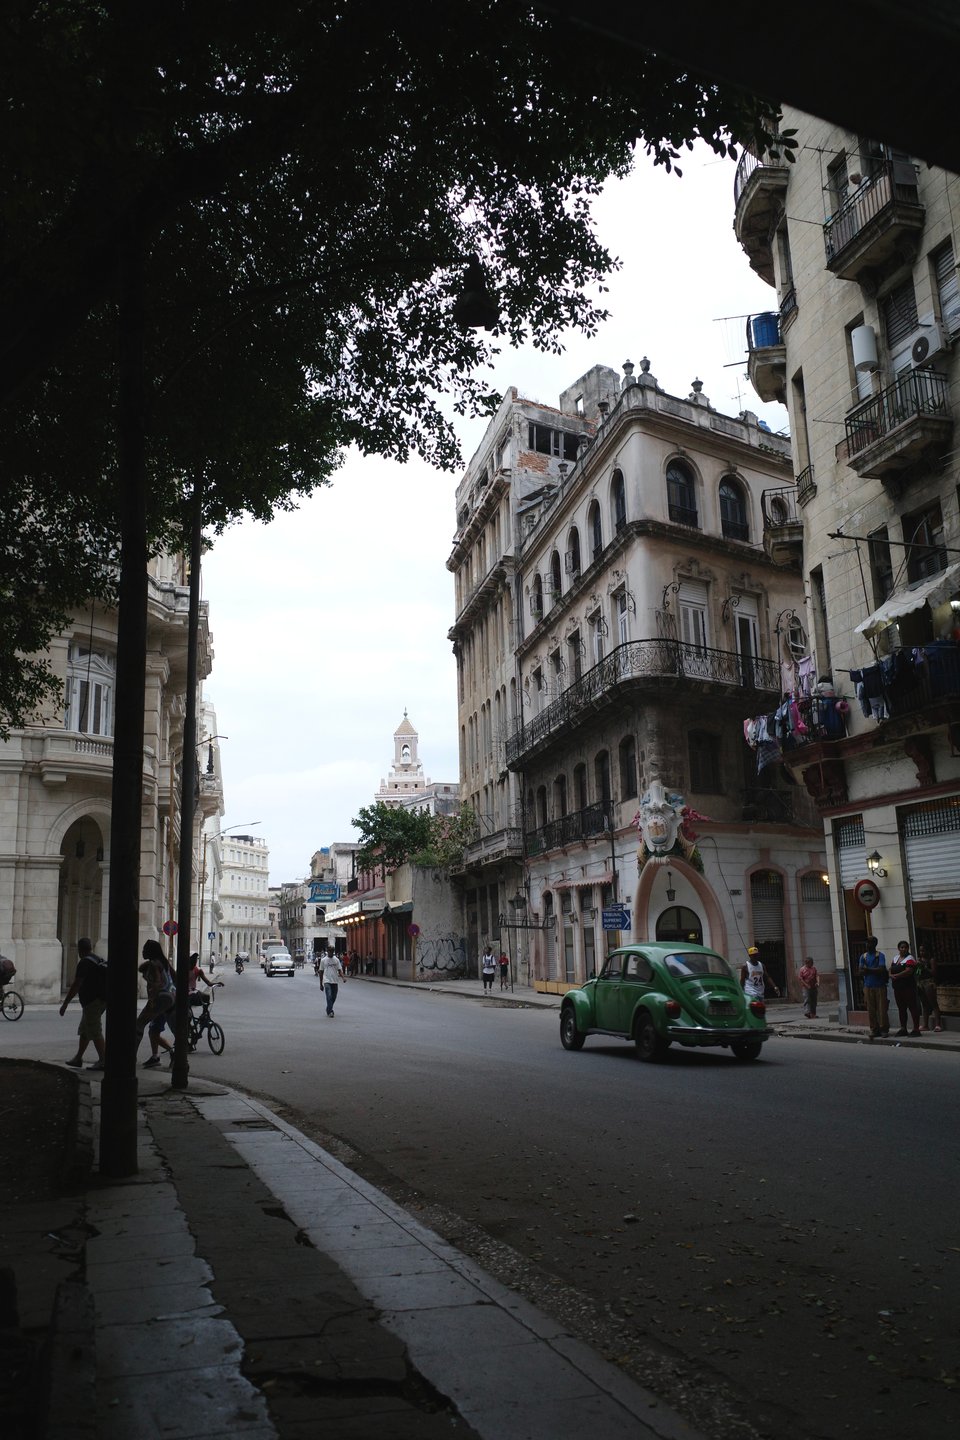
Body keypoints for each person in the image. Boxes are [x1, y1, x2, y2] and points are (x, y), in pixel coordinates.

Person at [59, 937, 107, 1070]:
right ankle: (78, 1058)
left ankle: (104, 1060)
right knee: (86, 1029)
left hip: (93, 1001)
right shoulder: (98, 959)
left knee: (94, 1029)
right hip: (101, 1000)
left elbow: (76, 984)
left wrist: (65, 1004)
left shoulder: (84, 963)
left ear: (80, 950)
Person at [138, 939, 176, 1067]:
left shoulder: (154, 964)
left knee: (139, 1024)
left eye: (144, 949)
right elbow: (175, 977)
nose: (142, 951)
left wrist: (152, 999)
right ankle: (159, 1056)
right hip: (170, 998)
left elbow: (157, 983)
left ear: (150, 951)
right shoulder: (164, 963)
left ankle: (130, 1056)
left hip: (161, 998)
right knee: (154, 1031)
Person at [857, 937, 889, 1039]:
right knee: (871, 1009)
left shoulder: (880, 956)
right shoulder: (863, 956)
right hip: (868, 986)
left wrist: (868, 970)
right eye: (867, 943)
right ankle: (874, 1029)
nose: (867, 945)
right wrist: (872, 970)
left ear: (874, 944)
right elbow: (860, 971)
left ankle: (884, 1029)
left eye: (870, 943)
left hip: (880, 985)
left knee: (882, 1008)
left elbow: (882, 969)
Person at [889, 940, 921, 1037]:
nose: (903, 949)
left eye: (905, 947)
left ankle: (916, 1029)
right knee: (901, 1008)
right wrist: (890, 975)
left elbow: (909, 971)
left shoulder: (910, 958)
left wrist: (897, 976)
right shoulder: (895, 958)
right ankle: (903, 1028)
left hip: (908, 987)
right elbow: (890, 968)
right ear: (898, 948)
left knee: (912, 1007)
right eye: (901, 947)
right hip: (897, 988)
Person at [916, 944, 943, 1032]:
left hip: (929, 982)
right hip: (920, 983)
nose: (922, 953)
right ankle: (925, 1025)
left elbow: (934, 973)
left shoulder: (931, 960)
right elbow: (917, 973)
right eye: (920, 951)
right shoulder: (919, 960)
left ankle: (938, 1024)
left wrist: (924, 967)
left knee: (933, 1003)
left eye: (923, 951)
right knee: (924, 1005)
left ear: (928, 951)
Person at [320, 950, 344, 1016]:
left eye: (332, 951)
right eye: (330, 951)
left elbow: (340, 970)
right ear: (328, 951)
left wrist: (343, 978)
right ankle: (330, 1011)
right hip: (326, 980)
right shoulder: (323, 960)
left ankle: (328, 1008)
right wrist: (321, 984)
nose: (331, 952)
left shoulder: (336, 960)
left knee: (334, 997)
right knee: (329, 995)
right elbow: (321, 972)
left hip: (335, 981)